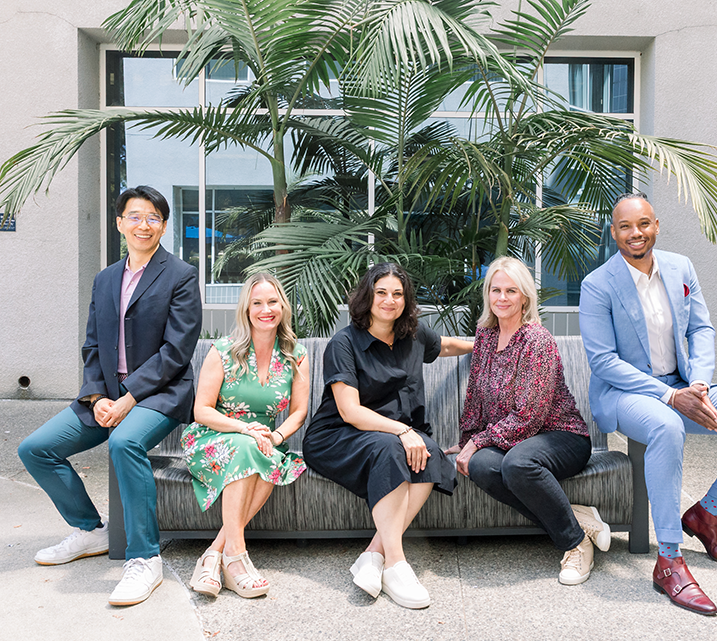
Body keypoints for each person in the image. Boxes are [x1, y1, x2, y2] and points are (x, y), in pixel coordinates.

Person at [579, 192, 717, 615]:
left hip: (685, 383)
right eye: (625, 226)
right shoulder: (597, 284)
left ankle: (707, 514)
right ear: (614, 231)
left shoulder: (681, 267)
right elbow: (602, 361)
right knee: (667, 425)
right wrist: (671, 397)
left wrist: (698, 384)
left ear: (656, 225)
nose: (635, 233)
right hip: (624, 395)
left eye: (644, 224)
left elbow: (702, 329)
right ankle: (669, 559)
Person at [18, 185, 203, 606]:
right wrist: (97, 395)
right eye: (135, 216)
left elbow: (176, 352)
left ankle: (144, 558)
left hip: (160, 393)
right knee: (35, 449)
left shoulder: (180, 275)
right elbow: (91, 346)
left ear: (164, 225)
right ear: (120, 223)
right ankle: (89, 530)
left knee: (124, 442)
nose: (144, 224)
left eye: (153, 217)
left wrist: (129, 397)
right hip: (107, 393)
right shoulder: (104, 279)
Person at [302, 262, 473, 609]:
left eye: (397, 294)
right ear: (367, 296)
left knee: (430, 452)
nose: (389, 300)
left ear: (406, 300)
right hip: (338, 435)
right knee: (396, 449)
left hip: (393, 435)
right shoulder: (344, 343)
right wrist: (404, 430)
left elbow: (446, 346)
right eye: (381, 292)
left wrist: (487, 345)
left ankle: (374, 554)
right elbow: (350, 411)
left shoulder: (414, 335)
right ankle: (397, 564)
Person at [446, 256, 611, 586]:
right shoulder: (485, 337)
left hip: (561, 437)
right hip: (514, 440)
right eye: (496, 290)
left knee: (517, 465)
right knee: (479, 466)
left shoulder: (537, 340)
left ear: (525, 297)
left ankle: (575, 543)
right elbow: (476, 397)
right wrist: (469, 441)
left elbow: (529, 416)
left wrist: (480, 441)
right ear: (487, 295)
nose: (502, 298)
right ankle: (578, 516)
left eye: (511, 290)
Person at [181, 273, 309, 598]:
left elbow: (298, 412)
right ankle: (236, 559)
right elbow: (202, 411)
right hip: (215, 436)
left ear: (282, 306)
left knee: (259, 451)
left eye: (272, 302)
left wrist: (277, 437)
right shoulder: (222, 351)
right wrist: (243, 428)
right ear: (246, 308)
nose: (266, 309)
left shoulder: (297, 354)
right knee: (246, 445)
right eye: (257, 303)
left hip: (266, 440)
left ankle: (213, 555)